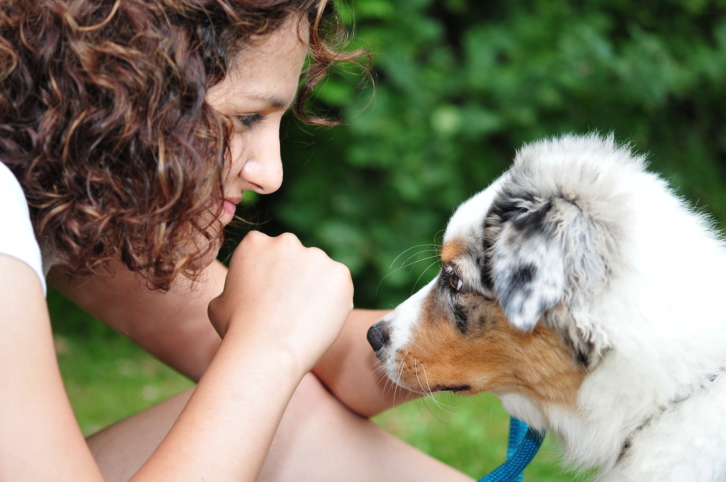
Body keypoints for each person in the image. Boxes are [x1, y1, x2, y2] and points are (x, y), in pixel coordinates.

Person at [0, 1, 474, 480]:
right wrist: (269, 347)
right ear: (127, 82)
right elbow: (265, 365)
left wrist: (495, 338)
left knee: (281, 412)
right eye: (248, 118)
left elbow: (330, 364)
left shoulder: (67, 196)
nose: (270, 174)